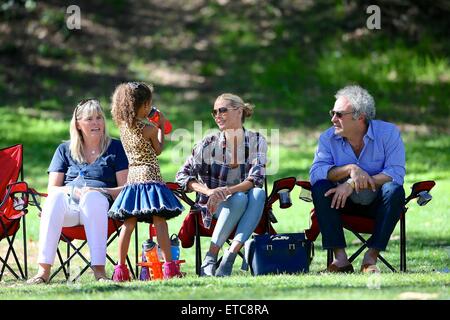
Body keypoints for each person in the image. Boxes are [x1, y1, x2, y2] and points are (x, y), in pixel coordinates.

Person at [26, 99, 129, 284]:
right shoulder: (64, 150)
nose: (96, 123)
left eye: (99, 117)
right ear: (78, 124)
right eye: (90, 119)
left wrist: (98, 190)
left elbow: (125, 189)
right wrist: (73, 189)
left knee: (93, 198)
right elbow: (52, 188)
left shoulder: (115, 148)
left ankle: (100, 272)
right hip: (69, 210)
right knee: (54, 198)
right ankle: (43, 272)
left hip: (103, 210)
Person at [309, 85, 406, 273]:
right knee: (321, 186)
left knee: (394, 190)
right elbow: (316, 173)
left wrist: (351, 184)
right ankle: (341, 259)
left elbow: (396, 173)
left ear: (360, 117)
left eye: (339, 114)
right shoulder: (327, 138)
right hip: (342, 203)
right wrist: (350, 169)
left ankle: (371, 258)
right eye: (332, 113)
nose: (333, 119)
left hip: (378, 205)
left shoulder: (388, 133)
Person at [176, 93, 268, 277]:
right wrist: (210, 192)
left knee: (257, 194)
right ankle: (211, 257)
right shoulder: (208, 144)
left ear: (239, 111)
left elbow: (255, 179)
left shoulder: (257, 140)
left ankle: (229, 257)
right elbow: (182, 176)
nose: (217, 115)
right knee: (240, 198)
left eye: (222, 110)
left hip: (245, 201)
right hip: (213, 206)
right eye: (214, 112)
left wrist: (226, 191)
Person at [108, 81, 184, 281]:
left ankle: (120, 269)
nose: (149, 108)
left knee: (129, 222)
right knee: (160, 221)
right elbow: (158, 150)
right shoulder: (148, 129)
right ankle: (169, 267)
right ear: (141, 106)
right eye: (147, 105)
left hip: (133, 179)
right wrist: (160, 126)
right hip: (150, 176)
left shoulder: (123, 128)